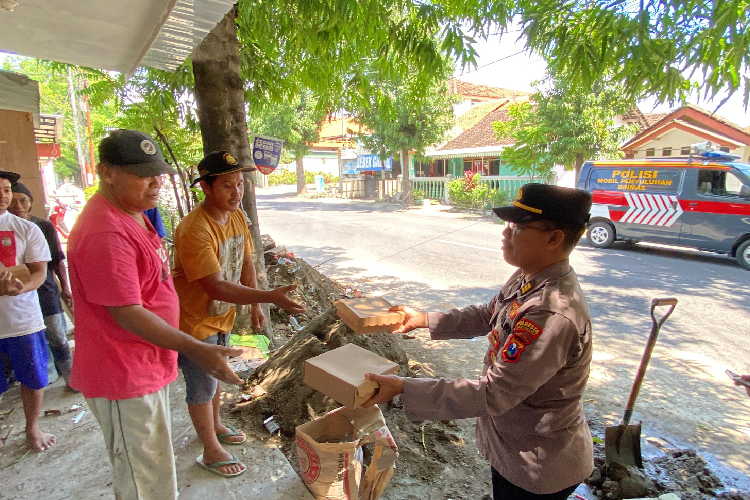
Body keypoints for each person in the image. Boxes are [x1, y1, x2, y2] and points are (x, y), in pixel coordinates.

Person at [364, 183, 595, 500]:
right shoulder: (530, 275)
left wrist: (404, 387)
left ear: (554, 238)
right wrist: (423, 319)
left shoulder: (552, 314)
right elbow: (489, 314)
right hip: (513, 444)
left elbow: (494, 393)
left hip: (537, 464)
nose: (505, 234)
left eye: (516, 226)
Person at [67, 130, 244, 500]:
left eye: (158, 173)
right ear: (106, 172)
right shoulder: (105, 231)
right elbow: (127, 312)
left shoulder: (131, 213)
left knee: (155, 471)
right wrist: (195, 348)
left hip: (145, 363)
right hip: (123, 372)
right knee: (142, 481)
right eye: (143, 174)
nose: (156, 183)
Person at [172, 150, 306, 477]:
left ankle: (216, 426)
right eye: (227, 186)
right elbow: (216, 287)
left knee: (218, 377)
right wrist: (270, 296)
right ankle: (209, 449)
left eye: (239, 185)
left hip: (222, 317)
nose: (236, 193)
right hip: (194, 321)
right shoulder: (195, 230)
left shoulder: (235, 216)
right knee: (201, 387)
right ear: (205, 187)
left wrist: (257, 305)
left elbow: (246, 261)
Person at [0, 168, 55, 452]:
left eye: (7, 190)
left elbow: (39, 273)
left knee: (33, 377)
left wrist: (20, 288)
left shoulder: (27, 229)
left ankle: (32, 428)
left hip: (22, 320)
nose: (3, 196)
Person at [9, 182, 76, 391]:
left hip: (45, 291)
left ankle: (71, 379)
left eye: (23, 200)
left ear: (31, 203)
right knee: (31, 342)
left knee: (57, 334)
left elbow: (57, 260)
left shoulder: (43, 226)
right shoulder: (6, 229)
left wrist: (65, 287)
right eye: (13, 201)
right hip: (16, 297)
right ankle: (42, 381)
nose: (18, 205)